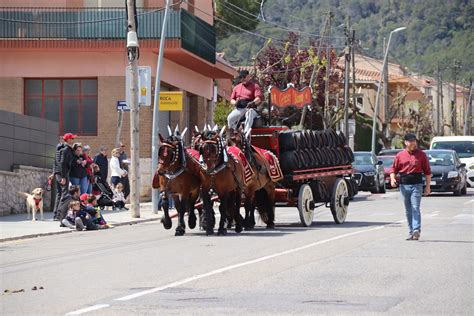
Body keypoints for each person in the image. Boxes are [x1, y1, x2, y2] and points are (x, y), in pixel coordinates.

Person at [390, 133, 432, 241]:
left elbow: (427, 172)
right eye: (410, 141)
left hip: (417, 185)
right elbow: (393, 170)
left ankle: (416, 230)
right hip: (404, 185)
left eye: (414, 141)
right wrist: (393, 179)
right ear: (405, 143)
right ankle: (410, 232)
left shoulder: (421, 155)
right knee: (408, 210)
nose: (413, 143)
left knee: (415, 207)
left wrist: (428, 187)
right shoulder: (400, 155)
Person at [52, 135, 66, 220]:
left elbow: (54, 162)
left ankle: (57, 214)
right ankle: (57, 214)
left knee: (60, 193)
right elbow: (57, 162)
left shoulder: (61, 148)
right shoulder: (60, 148)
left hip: (59, 173)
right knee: (61, 194)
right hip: (60, 174)